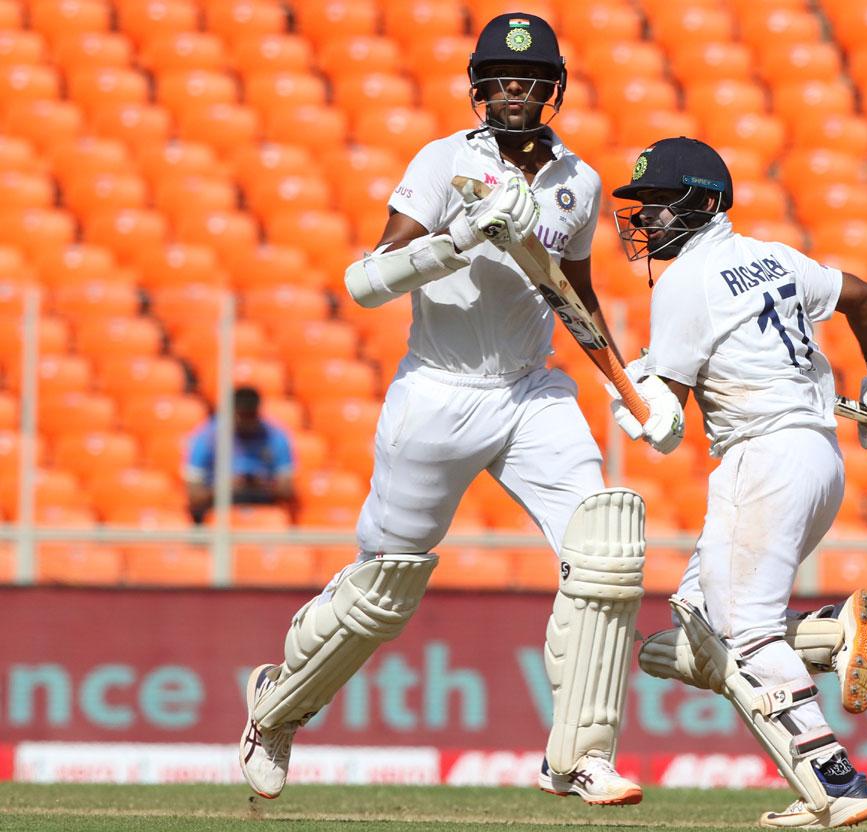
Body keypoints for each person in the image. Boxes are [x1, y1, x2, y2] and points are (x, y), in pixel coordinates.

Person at [238, 13, 647, 807]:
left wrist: (624, 387)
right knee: (385, 586)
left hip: (532, 389)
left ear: (553, 88)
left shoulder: (579, 182)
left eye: (528, 80)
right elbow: (371, 277)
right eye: (499, 79)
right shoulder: (441, 162)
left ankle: (580, 755)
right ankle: (277, 707)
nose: (513, 92)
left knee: (608, 550)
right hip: (438, 388)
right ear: (478, 88)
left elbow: (575, 293)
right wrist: (457, 237)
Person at [608, 137, 867, 828]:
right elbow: (862, 296)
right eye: (640, 206)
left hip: (762, 460)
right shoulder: (771, 255)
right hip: (819, 459)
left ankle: (836, 782)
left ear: (705, 202)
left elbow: (665, 423)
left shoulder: (685, 282)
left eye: (658, 205)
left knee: (746, 637)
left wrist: (632, 402)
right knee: (681, 640)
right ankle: (830, 635)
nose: (644, 220)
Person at [184, 386, 295, 523]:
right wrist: (226, 487)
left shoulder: (275, 436)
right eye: (241, 416)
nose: (246, 422)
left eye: (251, 416)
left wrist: (260, 484)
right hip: (218, 506)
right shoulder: (207, 437)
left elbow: (286, 490)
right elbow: (194, 495)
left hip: (263, 506)